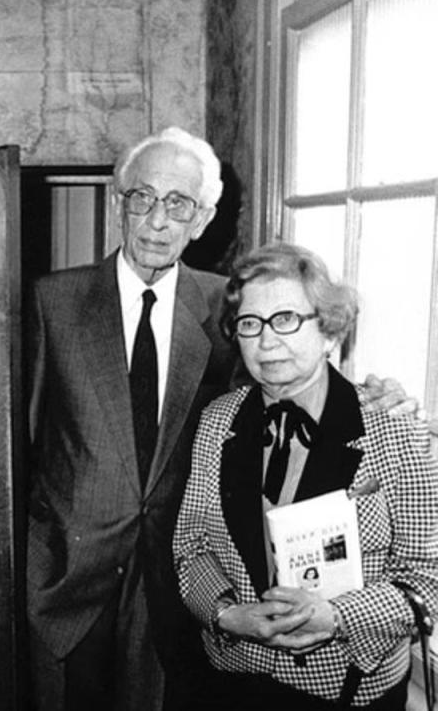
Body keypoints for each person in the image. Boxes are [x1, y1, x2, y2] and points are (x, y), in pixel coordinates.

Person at [25, 127, 414, 711]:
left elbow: (288, 375)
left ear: (202, 219)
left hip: (177, 589)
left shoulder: (227, 306)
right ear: (119, 203)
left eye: (178, 203)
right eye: (142, 197)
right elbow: (21, 443)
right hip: (69, 574)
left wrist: (384, 393)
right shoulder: (50, 300)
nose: (157, 220)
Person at [172, 242, 438, 710]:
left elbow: (428, 581)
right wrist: (228, 614)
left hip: (347, 690)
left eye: (287, 319)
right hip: (232, 681)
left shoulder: (397, 433)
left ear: (330, 332)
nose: (267, 341)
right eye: (250, 324)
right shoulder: (218, 421)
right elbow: (191, 544)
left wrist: (336, 617)